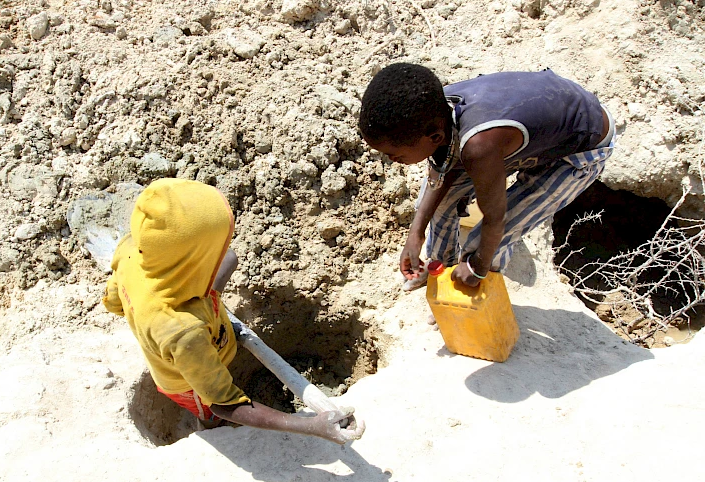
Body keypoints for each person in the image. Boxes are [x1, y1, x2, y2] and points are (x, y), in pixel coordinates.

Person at [102, 178, 363, 444]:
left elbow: (115, 301)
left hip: (199, 342)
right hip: (188, 385)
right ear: (191, 262)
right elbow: (223, 404)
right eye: (214, 249)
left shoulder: (132, 249)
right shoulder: (184, 332)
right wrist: (311, 426)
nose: (225, 250)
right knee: (210, 413)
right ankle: (211, 430)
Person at [359, 63, 615, 290]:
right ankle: (441, 273)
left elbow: (496, 218)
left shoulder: (479, 147)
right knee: (441, 205)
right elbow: (441, 171)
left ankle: (472, 292)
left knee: (481, 242)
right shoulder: (430, 110)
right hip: (534, 128)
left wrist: (477, 267)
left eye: (394, 154)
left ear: (434, 138)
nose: (390, 159)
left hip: (581, 145)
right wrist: (416, 234)